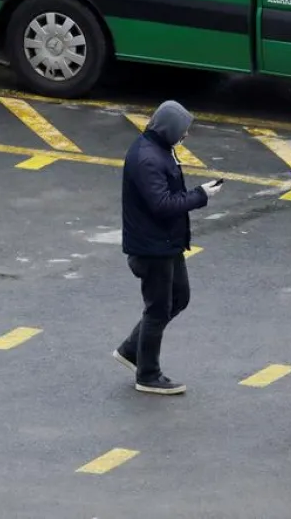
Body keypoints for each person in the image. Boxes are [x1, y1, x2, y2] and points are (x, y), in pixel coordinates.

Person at [113, 101, 223, 396]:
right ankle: (147, 374)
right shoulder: (148, 158)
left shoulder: (157, 149)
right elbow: (161, 205)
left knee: (179, 297)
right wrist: (201, 195)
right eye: (183, 132)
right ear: (170, 129)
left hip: (165, 244)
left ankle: (131, 350)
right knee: (158, 309)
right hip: (152, 248)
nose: (185, 137)